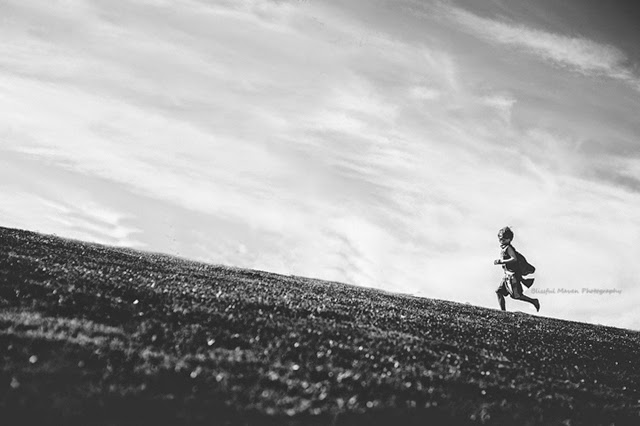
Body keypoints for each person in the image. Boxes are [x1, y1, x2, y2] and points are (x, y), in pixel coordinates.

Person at [494, 226, 540, 312]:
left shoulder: (508, 248)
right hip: (507, 275)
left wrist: (501, 261)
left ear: (509, 239)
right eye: (500, 238)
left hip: (512, 276)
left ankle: (533, 301)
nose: (502, 240)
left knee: (516, 295)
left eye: (504, 238)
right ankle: (503, 312)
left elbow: (514, 259)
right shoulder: (504, 248)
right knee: (499, 291)